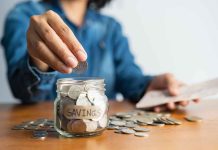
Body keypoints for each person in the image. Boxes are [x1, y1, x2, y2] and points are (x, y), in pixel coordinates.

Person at [1, 0, 199, 112]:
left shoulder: (111, 27)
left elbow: (128, 77)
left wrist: (151, 85)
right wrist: (39, 60)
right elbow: (22, 90)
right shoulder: (23, 16)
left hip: (103, 133)